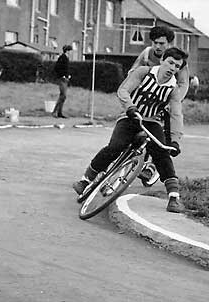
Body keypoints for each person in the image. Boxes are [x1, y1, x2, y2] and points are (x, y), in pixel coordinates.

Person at [72, 47, 188, 213]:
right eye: (170, 63)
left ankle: (174, 197)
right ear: (162, 60)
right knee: (115, 147)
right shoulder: (143, 72)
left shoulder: (173, 89)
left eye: (177, 66)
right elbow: (123, 90)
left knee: (162, 153)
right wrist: (130, 107)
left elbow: (176, 115)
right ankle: (85, 180)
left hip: (151, 122)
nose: (172, 68)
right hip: (130, 116)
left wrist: (175, 141)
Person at [129, 26, 189, 186]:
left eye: (162, 43)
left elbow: (183, 83)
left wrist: (172, 102)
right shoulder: (147, 53)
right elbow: (133, 70)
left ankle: (154, 166)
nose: (158, 47)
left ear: (169, 43)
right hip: (148, 95)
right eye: (155, 43)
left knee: (164, 133)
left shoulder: (176, 59)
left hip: (167, 97)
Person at [52, 45, 72, 118]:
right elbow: (57, 68)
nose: (71, 52)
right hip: (62, 79)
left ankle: (59, 112)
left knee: (63, 96)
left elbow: (66, 68)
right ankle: (55, 111)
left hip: (65, 78)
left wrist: (68, 75)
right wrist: (62, 75)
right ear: (67, 51)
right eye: (70, 51)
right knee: (63, 95)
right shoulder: (62, 57)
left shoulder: (66, 58)